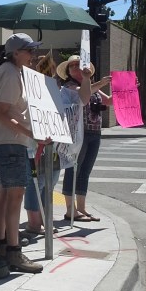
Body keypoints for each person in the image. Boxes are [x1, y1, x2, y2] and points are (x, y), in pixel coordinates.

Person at [0, 33, 48, 274]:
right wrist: (30, 133)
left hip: (7, 142)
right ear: (16, 52)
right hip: (11, 143)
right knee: (15, 196)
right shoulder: (11, 74)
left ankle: (2, 244)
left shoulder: (9, 71)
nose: (33, 55)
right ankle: (13, 251)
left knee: (5, 196)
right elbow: (0, 112)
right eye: (29, 50)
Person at [24, 53, 92, 236]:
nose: (49, 73)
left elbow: (83, 100)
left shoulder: (58, 88)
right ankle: (34, 222)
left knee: (50, 182)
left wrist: (86, 79)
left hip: (54, 143)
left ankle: (45, 220)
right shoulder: (32, 87)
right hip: (36, 142)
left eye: (51, 71)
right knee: (36, 183)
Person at [59, 55, 112, 221]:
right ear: (68, 71)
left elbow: (108, 101)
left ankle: (81, 208)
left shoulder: (88, 84)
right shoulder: (69, 86)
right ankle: (70, 209)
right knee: (73, 169)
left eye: (79, 65)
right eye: (72, 66)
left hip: (94, 132)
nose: (76, 68)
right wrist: (102, 82)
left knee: (85, 171)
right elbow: (84, 95)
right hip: (77, 133)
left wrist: (127, 90)